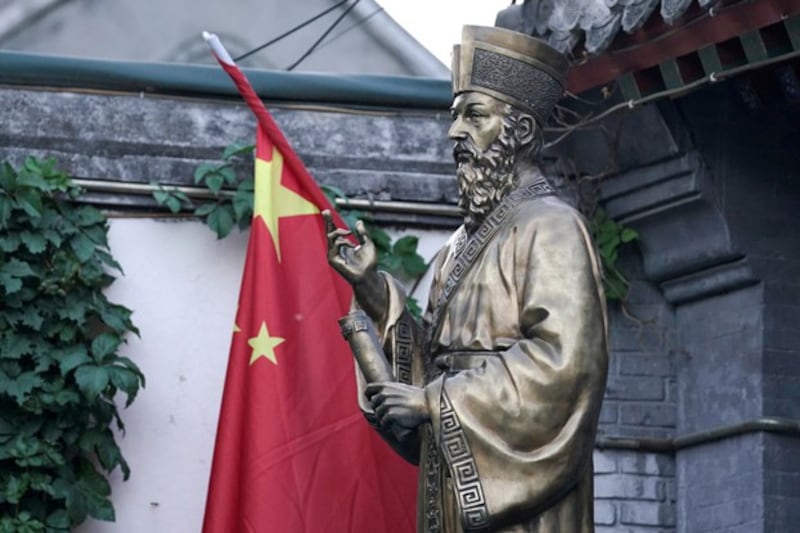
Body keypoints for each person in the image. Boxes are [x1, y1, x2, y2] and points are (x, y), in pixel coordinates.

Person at [325, 25, 608, 533]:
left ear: (519, 132)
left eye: (474, 115)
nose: (454, 133)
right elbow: (431, 364)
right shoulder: (458, 246)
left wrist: (435, 402)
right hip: (451, 477)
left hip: (522, 495)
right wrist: (372, 289)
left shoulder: (553, 226)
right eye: (454, 116)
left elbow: (566, 366)